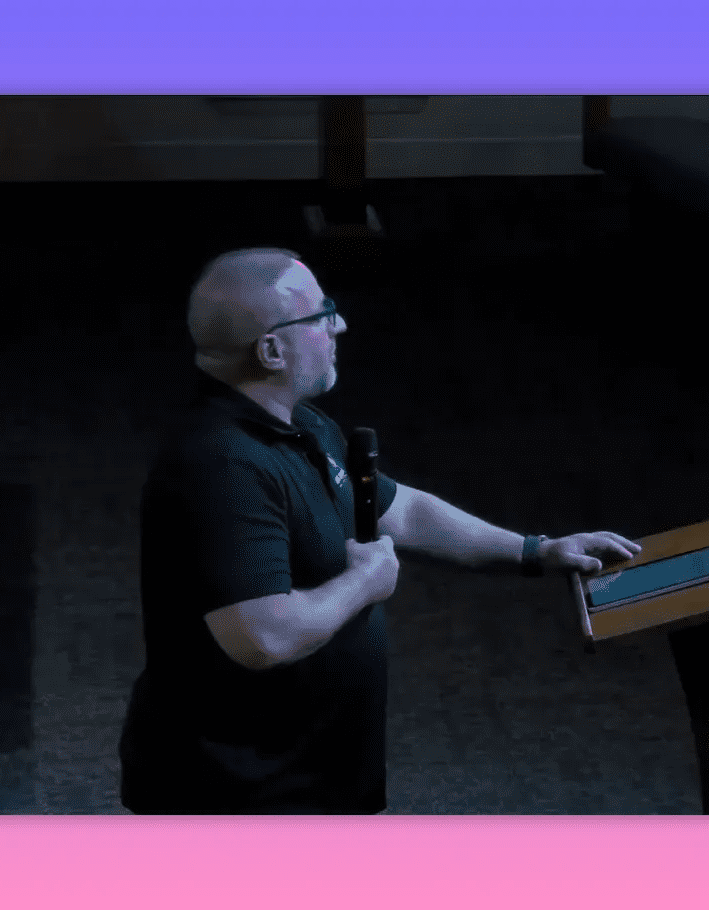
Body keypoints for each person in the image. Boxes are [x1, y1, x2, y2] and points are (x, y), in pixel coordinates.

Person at [118, 247, 641, 814]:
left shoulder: (301, 423)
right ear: (271, 349)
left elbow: (403, 511)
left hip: (321, 775)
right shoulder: (221, 467)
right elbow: (262, 634)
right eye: (321, 315)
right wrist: (364, 584)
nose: (339, 324)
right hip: (241, 797)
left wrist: (537, 550)